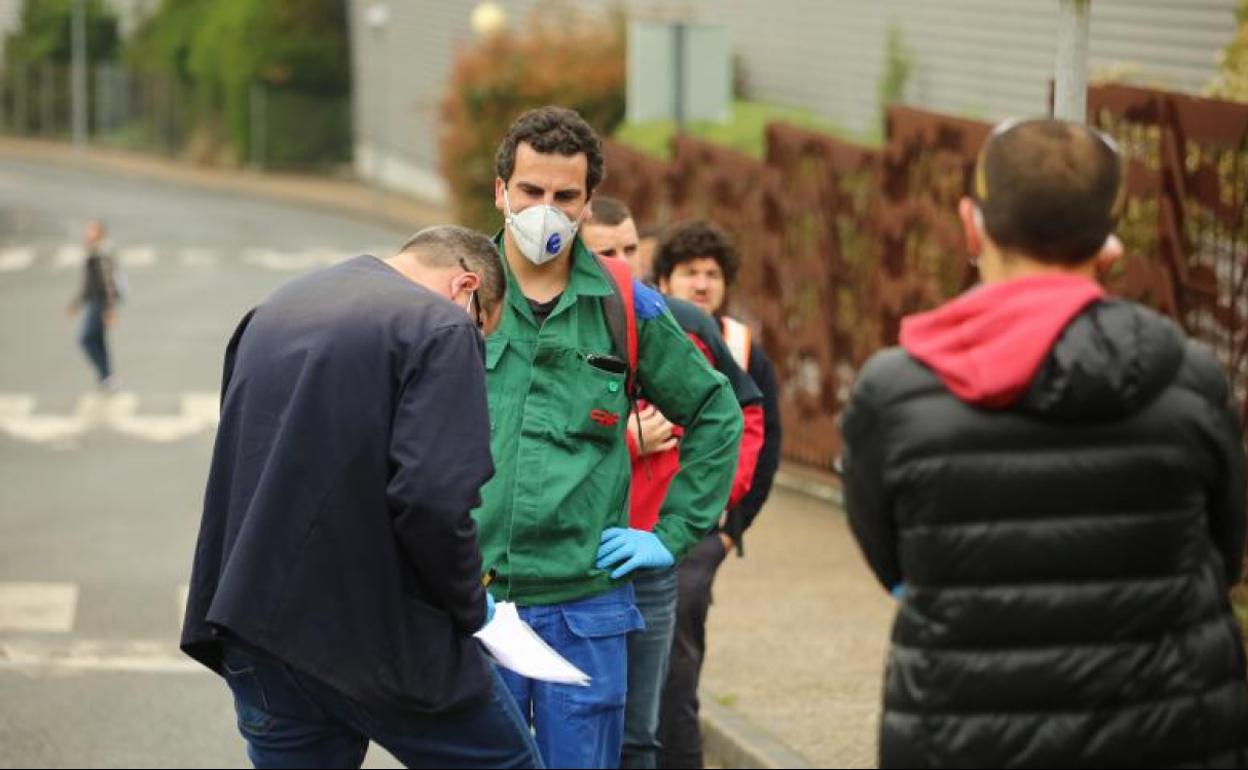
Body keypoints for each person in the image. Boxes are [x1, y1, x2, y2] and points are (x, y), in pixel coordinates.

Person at [842, 118, 1248, 768]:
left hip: (963, 735)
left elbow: (894, 563)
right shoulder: (1190, 379)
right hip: (1171, 729)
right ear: (1108, 240)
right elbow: (1226, 552)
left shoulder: (893, 395)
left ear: (972, 226)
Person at [181, 226, 542, 769]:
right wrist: (472, 608)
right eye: (482, 329)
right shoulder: (440, 325)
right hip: (383, 642)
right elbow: (433, 501)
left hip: (255, 631)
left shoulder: (280, 306)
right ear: (465, 285)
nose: (476, 346)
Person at [475, 106, 744, 770]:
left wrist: (669, 534)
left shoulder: (626, 305)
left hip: (584, 608)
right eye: (532, 191)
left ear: (587, 203)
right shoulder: (458, 293)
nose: (547, 208)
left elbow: (716, 411)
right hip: (475, 601)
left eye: (565, 196)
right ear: (501, 191)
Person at [582, 198, 765, 770]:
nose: (621, 263)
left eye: (631, 250)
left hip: (656, 556)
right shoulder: (548, 317)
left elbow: (741, 416)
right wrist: (624, 441)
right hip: (572, 560)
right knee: (575, 723)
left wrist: (713, 524)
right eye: (605, 252)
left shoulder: (680, 325)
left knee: (650, 724)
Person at [649, 219, 784, 769]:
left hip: (703, 531)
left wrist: (732, 529)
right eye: (690, 273)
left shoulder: (740, 346)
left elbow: (766, 434)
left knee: (678, 649)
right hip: (643, 520)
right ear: (664, 281)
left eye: (712, 274)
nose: (703, 284)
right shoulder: (646, 331)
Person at [67, 219, 120, 391]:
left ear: (100, 234)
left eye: (92, 230)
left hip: (99, 304)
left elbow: (108, 283)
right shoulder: (92, 252)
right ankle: (107, 377)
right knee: (98, 340)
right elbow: (87, 284)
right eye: (87, 229)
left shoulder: (101, 253)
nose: (87, 233)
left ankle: (106, 375)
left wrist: (109, 309)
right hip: (94, 302)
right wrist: (75, 304)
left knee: (86, 339)